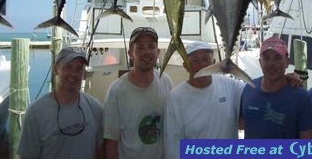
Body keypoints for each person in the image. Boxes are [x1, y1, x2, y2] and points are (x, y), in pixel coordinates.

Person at [17, 47, 103, 159]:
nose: (73, 73)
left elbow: (100, 151)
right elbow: (27, 155)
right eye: (68, 67)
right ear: (56, 69)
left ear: (84, 73)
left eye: (79, 69)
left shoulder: (95, 108)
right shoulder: (35, 112)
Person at [164, 41, 245, 159]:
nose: (202, 65)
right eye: (195, 61)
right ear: (186, 66)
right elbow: (173, 146)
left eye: (206, 59)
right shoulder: (175, 97)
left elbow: (257, 93)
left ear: (214, 63)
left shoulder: (231, 85)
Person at [103, 27, 173, 159]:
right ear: (130, 53)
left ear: (157, 52)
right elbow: (111, 143)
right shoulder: (116, 91)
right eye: (140, 47)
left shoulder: (166, 81)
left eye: (151, 47)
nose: (147, 52)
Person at [240, 36, 312, 138]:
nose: (271, 64)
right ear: (260, 62)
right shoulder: (248, 88)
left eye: (277, 58)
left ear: (287, 62)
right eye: (266, 58)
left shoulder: (301, 96)